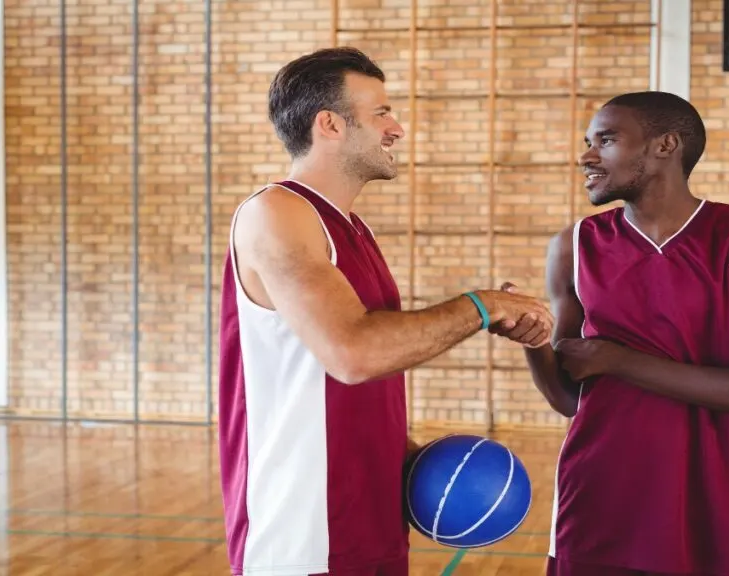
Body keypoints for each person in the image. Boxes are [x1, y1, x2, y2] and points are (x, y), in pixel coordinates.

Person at [216, 47, 555, 576]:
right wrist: (483, 306)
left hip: (370, 524)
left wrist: (420, 462)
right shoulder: (276, 213)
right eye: (381, 113)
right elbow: (352, 353)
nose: (396, 129)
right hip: (303, 539)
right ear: (329, 124)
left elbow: (354, 386)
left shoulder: (352, 228)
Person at [521, 91, 729, 576]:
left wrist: (620, 361)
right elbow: (571, 399)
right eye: (588, 141)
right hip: (597, 491)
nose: (586, 155)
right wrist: (531, 342)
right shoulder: (574, 246)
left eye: (606, 140)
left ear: (665, 146)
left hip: (713, 495)